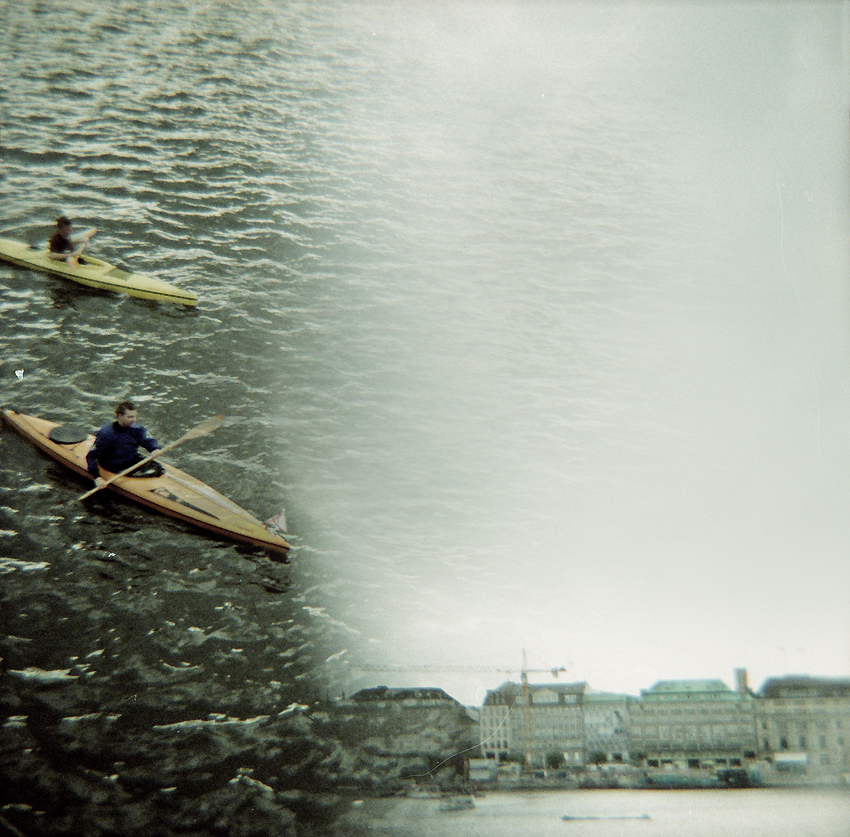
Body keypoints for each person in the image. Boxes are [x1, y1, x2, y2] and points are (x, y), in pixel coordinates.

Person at [86, 401, 162, 486]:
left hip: (131, 459)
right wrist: (97, 477)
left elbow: (147, 439)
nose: (134, 420)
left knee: (157, 468)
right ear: (120, 416)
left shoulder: (136, 429)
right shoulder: (106, 434)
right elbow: (90, 457)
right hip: (114, 465)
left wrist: (154, 449)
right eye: (130, 417)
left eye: (135, 416)